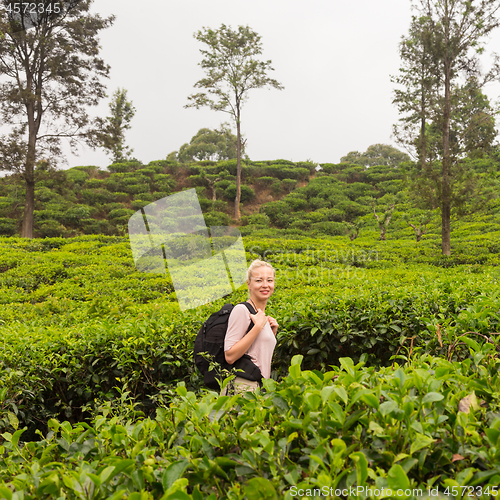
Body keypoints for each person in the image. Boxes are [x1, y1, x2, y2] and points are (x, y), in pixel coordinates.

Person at [222, 259, 278, 394]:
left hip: (260, 386)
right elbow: (229, 355)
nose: (265, 285)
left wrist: (272, 333)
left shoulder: (262, 316)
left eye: (269, 280)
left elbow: (257, 353)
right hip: (243, 386)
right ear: (249, 284)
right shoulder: (242, 310)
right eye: (259, 280)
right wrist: (258, 327)